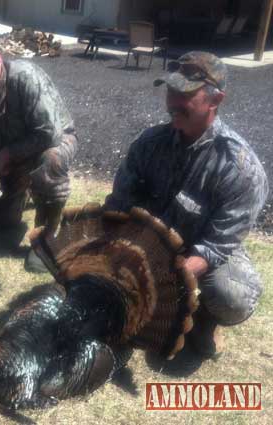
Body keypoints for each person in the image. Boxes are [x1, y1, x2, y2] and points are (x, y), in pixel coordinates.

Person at [105, 51, 269, 359]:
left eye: (185, 94)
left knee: (231, 297)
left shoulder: (239, 167)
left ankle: (205, 321)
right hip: (149, 244)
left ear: (215, 100)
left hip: (201, 250)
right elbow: (118, 204)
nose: (172, 102)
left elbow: (216, 247)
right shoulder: (149, 143)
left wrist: (163, 278)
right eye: (171, 91)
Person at [0, 32, 78, 272]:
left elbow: (50, 133)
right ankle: (13, 207)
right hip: (9, 162)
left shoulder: (24, 77)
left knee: (49, 161)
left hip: (52, 142)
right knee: (0, 226)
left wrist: (9, 153)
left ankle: (47, 239)